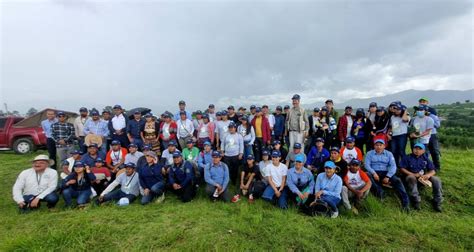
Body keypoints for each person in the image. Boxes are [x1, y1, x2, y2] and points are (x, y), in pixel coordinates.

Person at [365, 139, 410, 211]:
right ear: (374, 146)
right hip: (374, 172)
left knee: (397, 180)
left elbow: (393, 166)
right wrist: (373, 173)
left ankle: (406, 204)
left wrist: (388, 176)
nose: (378, 147)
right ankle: (380, 191)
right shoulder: (369, 153)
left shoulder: (389, 154)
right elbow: (367, 165)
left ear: (384, 146)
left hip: (386, 172)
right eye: (377, 145)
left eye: (380, 145)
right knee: (366, 175)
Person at [399, 144, 443, 212]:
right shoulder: (407, 157)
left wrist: (428, 175)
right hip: (411, 177)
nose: (417, 150)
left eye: (420, 149)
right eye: (415, 148)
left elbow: (433, 170)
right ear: (413, 149)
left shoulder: (425, 158)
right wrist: (413, 174)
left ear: (423, 151)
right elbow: (402, 169)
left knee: (436, 179)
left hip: (423, 178)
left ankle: (437, 201)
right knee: (411, 177)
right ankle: (416, 200)